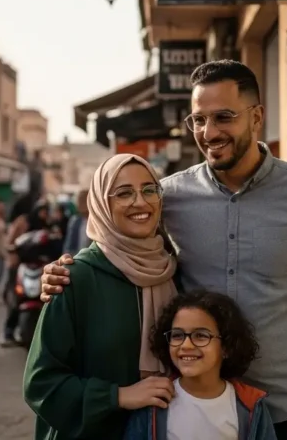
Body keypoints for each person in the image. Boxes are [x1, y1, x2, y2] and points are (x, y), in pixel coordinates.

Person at [41, 60, 287, 440]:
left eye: (223, 117)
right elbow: (121, 249)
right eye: (198, 120)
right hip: (190, 414)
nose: (209, 132)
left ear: (257, 117)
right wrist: (65, 269)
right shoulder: (168, 196)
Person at [23, 154, 178, 439]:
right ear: (101, 205)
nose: (140, 202)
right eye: (123, 193)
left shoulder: (173, 272)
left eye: (149, 189)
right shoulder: (75, 278)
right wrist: (117, 396)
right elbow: (41, 383)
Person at [123, 290, 276, 440]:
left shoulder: (250, 406)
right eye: (177, 335)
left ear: (226, 347)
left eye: (201, 336)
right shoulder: (155, 402)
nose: (186, 345)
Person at [2, 199, 50, 347]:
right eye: (41, 210)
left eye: (45, 211)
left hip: (41, 268)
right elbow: (10, 243)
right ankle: (8, 331)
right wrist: (13, 251)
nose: (43, 214)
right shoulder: (23, 222)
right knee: (16, 297)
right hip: (21, 266)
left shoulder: (47, 226)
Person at [62, 189, 90, 255]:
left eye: (82, 201)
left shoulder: (98, 222)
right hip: (76, 259)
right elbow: (68, 246)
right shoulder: (75, 221)